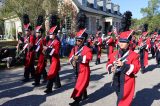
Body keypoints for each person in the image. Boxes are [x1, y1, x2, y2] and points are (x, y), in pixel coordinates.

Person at [106, 30, 140, 106]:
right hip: (116, 79)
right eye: (120, 41)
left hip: (127, 80)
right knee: (120, 96)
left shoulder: (134, 55)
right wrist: (110, 68)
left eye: (124, 42)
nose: (121, 43)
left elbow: (136, 68)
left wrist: (124, 65)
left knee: (122, 99)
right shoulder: (115, 53)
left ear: (128, 43)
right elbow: (108, 63)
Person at [69, 12, 92, 106]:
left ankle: (77, 101)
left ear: (83, 40)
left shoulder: (86, 49)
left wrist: (78, 58)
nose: (77, 41)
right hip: (76, 69)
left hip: (84, 70)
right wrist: (72, 60)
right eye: (76, 40)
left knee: (79, 85)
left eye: (79, 40)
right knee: (80, 83)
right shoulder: (74, 48)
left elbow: (89, 58)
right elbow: (70, 57)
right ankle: (85, 95)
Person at [43, 15, 61, 94]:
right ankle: (58, 84)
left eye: (51, 34)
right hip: (51, 59)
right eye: (50, 34)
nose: (50, 35)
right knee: (55, 72)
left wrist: (48, 49)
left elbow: (56, 52)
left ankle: (49, 88)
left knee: (51, 73)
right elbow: (48, 48)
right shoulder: (50, 41)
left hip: (55, 60)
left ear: (55, 34)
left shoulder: (57, 42)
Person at [32, 15, 47, 86]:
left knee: (38, 69)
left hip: (42, 56)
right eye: (36, 32)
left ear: (40, 33)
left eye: (37, 32)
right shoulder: (36, 39)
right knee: (43, 69)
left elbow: (43, 49)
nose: (36, 33)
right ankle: (45, 78)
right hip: (37, 56)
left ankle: (37, 81)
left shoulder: (43, 40)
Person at [22, 14, 35, 82]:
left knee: (28, 65)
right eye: (25, 30)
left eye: (27, 31)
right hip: (27, 52)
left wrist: (27, 43)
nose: (26, 32)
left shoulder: (32, 37)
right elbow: (25, 44)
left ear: (30, 31)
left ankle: (26, 77)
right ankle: (33, 75)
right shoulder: (26, 37)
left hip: (31, 52)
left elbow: (32, 45)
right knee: (31, 65)